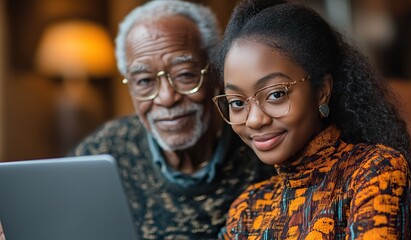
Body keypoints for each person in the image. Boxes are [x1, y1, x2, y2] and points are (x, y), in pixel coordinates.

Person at [211, 0, 411, 239]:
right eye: (237, 103)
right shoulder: (248, 209)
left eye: (276, 94)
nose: (254, 120)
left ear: (322, 90)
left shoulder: (374, 174)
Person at [70, 0, 274, 239]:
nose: (167, 98)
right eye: (145, 81)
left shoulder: (263, 148)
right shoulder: (101, 153)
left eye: (185, 75)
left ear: (216, 74)